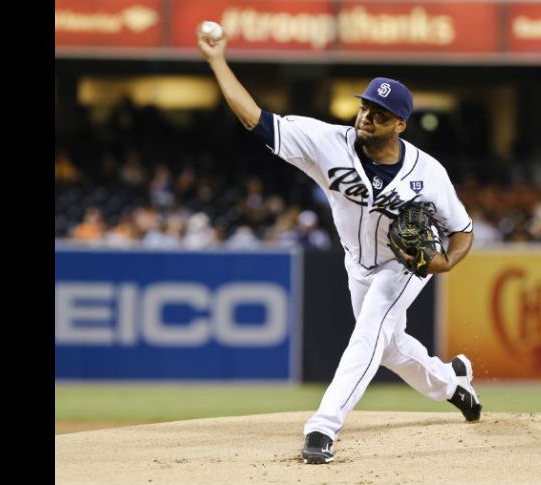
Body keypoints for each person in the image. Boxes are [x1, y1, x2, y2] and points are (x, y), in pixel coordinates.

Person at [197, 24, 481, 465]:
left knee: (367, 334)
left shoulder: (430, 173)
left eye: (380, 114)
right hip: (357, 264)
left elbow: (462, 230)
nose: (367, 117)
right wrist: (217, 61)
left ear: (400, 125)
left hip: (403, 266)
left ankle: (323, 427)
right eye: (366, 107)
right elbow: (253, 117)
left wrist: (443, 264)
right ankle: (452, 383)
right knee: (386, 347)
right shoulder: (327, 143)